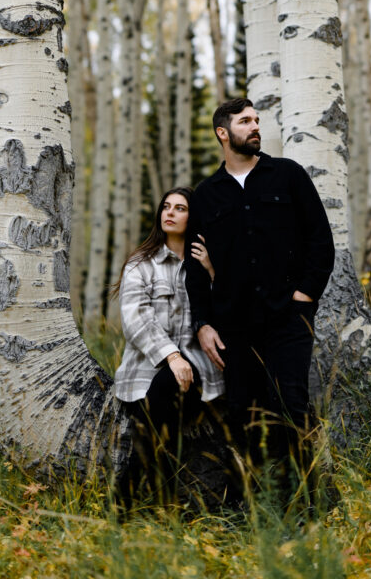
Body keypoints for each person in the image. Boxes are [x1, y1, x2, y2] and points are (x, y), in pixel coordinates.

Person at [184, 97, 335, 503]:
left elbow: (321, 241)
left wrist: (304, 296)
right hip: (234, 327)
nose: (255, 126)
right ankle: (247, 511)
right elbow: (195, 270)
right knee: (242, 418)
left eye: (256, 120)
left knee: (291, 408)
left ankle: (308, 505)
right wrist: (203, 324)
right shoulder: (206, 196)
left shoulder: (288, 176)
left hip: (288, 320)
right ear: (223, 133)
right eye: (245, 121)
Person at [113, 186, 223, 503]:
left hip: (200, 370)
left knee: (164, 398)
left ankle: (123, 503)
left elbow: (226, 314)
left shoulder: (205, 261)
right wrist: (172, 357)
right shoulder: (141, 264)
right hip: (147, 371)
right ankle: (163, 505)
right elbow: (135, 318)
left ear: (194, 217)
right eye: (166, 206)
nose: (170, 213)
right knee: (164, 407)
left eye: (180, 208)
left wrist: (213, 273)